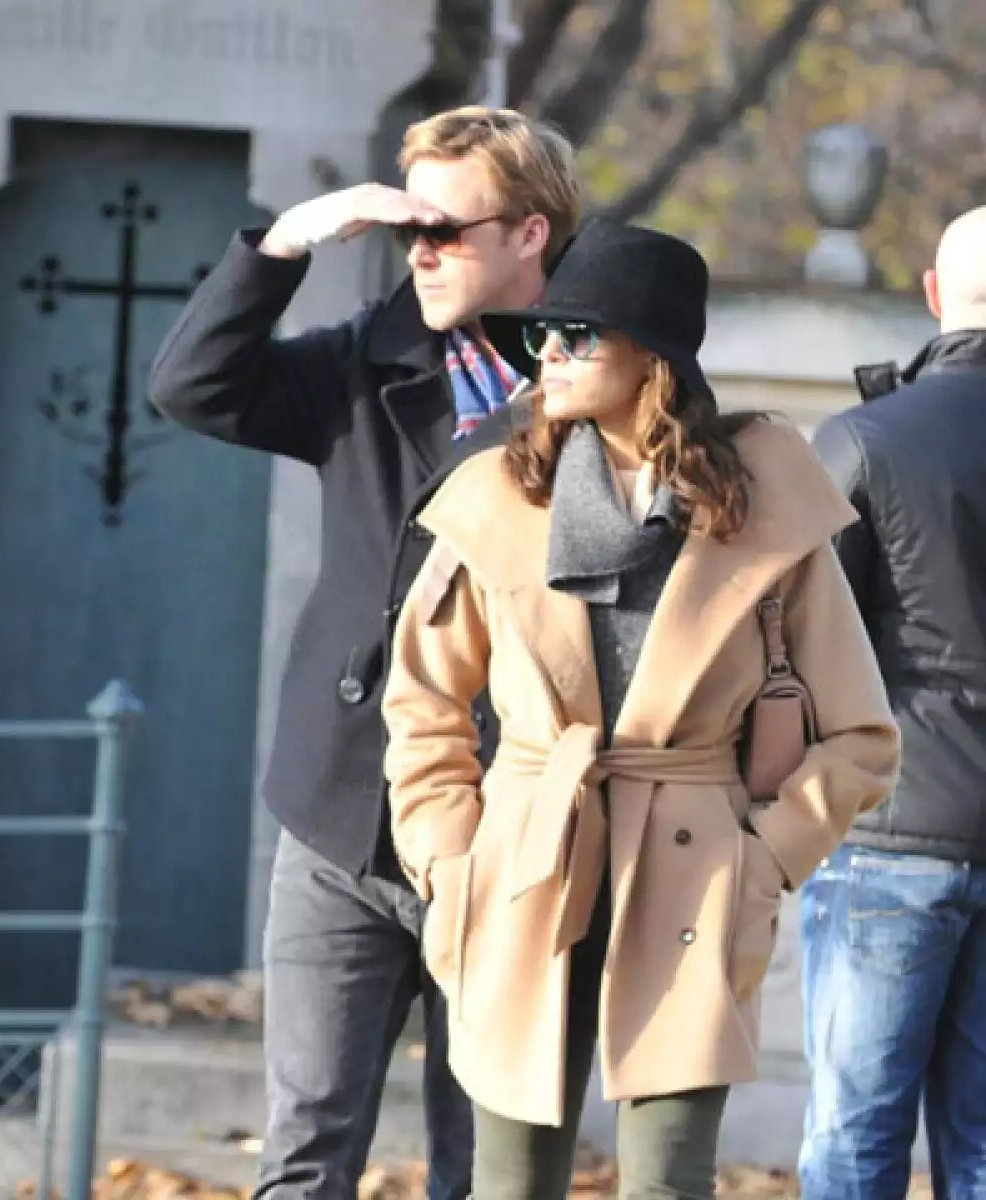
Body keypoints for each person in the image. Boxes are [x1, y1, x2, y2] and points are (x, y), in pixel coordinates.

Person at [381, 218, 901, 1200]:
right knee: (509, 1182)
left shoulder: (762, 507)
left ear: (651, 354)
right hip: (528, 856)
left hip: (695, 870)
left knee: (667, 1180)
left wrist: (764, 857)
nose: (553, 357)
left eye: (579, 334)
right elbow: (423, 699)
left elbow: (862, 736)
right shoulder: (496, 496)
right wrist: (448, 854)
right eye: (542, 336)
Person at [149, 107, 581, 1199]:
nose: (419, 252)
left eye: (444, 229)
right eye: (405, 233)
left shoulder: (605, 383)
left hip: (512, 826)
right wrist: (288, 240)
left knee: (488, 1168)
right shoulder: (362, 365)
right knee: (304, 1152)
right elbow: (193, 386)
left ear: (530, 234)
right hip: (343, 808)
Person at [799, 205, 986, 1199]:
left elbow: (801, 639)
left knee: (853, 1140)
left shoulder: (863, 439)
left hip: (889, 825)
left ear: (931, 294)